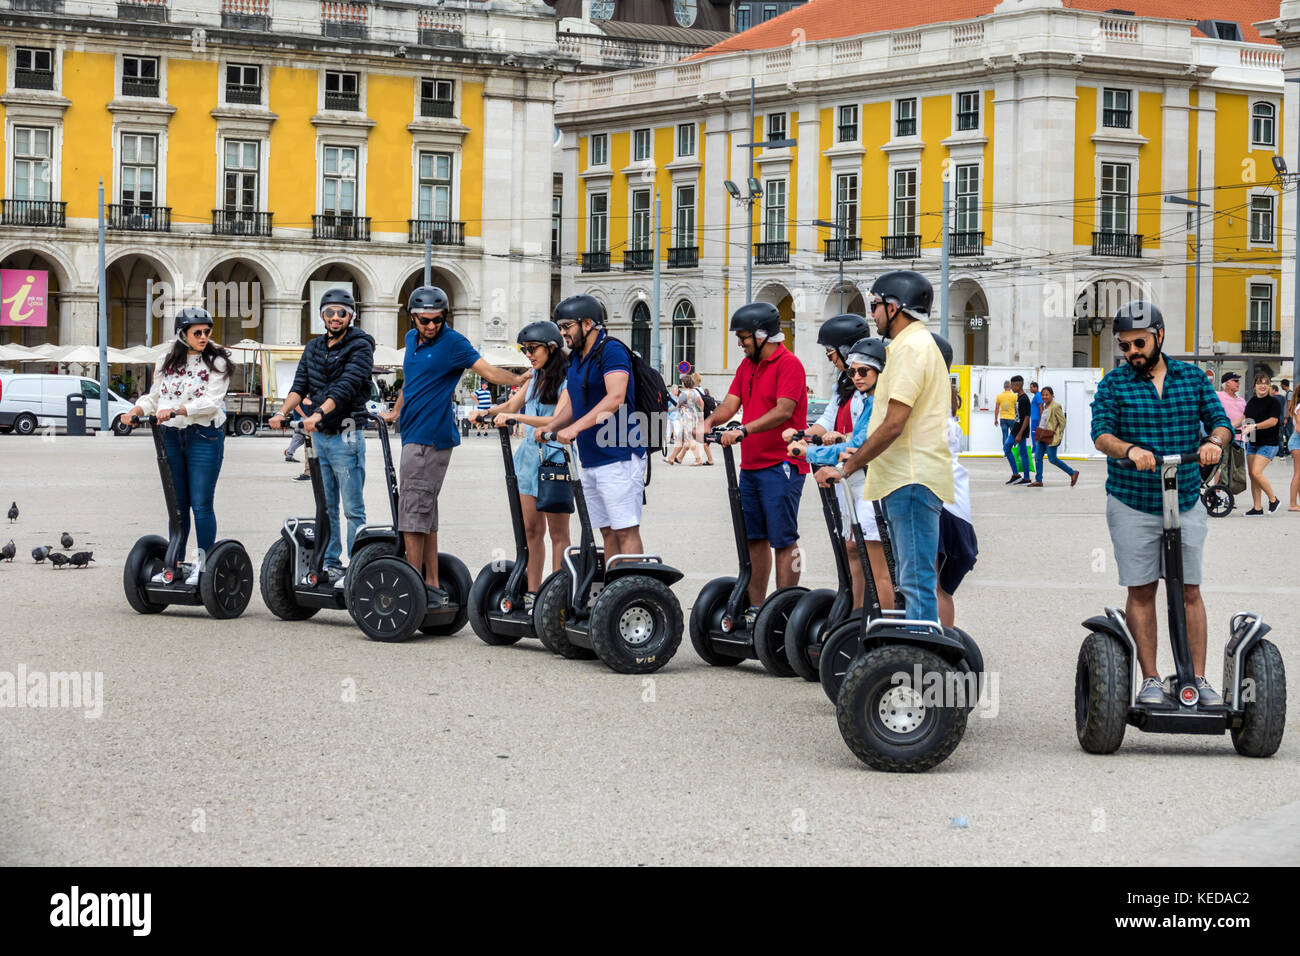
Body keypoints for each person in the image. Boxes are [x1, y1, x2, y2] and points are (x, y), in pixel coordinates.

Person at [1090, 300, 1232, 706]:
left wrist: (1213, 443)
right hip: (1133, 500)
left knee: (1189, 589)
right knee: (1141, 589)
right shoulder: (1114, 384)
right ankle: (1151, 679)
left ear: (1159, 336)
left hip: (1185, 498)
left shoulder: (1191, 378)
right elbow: (1101, 433)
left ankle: (1198, 680)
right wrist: (1129, 448)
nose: (1132, 351)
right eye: (1126, 346)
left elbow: (1220, 422)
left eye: (1139, 343)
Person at [818, 271, 952, 625]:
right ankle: (918, 654)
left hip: (910, 478)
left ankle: (921, 659)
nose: (872, 314)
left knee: (915, 581)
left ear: (894, 307)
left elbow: (894, 423)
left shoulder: (909, 348)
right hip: (906, 477)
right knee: (913, 579)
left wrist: (847, 466)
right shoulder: (912, 346)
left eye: (875, 306)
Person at [382, 286, 528, 605]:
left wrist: (520, 380)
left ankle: (415, 586)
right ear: (413, 318)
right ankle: (430, 583)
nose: (431, 326)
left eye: (437, 320)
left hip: (429, 438)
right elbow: (411, 380)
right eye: (424, 320)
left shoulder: (454, 343)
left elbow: (488, 371)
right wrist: (396, 410)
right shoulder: (410, 341)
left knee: (411, 512)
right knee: (425, 512)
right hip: (412, 433)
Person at [697, 302, 809, 613]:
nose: (740, 343)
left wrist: (743, 431)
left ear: (763, 335)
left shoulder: (791, 365)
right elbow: (730, 405)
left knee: (783, 540)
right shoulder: (748, 366)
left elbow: (783, 411)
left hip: (782, 464)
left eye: (744, 337)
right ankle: (757, 609)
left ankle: (785, 610)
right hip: (751, 466)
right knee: (754, 539)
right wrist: (710, 421)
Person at [268, 288, 375, 584]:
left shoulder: (361, 345)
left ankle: (356, 566)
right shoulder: (314, 347)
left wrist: (318, 414)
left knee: (353, 508)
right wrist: (281, 412)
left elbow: (347, 385)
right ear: (321, 315)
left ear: (351, 315)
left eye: (342, 312)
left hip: (346, 433)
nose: (336, 317)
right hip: (320, 439)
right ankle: (330, 561)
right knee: (326, 506)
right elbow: (299, 385)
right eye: (330, 312)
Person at [124, 308, 232, 585]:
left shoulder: (218, 361)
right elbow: (155, 396)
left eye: (207, 331)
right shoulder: (166, 361)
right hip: (171, 436)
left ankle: (204, 565)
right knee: (178, 505)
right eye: (198, 332)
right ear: (183, 334)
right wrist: (135, 410)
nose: (204, 336)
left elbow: (211, 402)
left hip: (204, 436)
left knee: (201, 504)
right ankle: (176, 563)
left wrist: (178, 410)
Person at [538, 294, 647, 560]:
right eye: (560, 327)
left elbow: (616, 398)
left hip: (618, 454)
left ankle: (632, 590)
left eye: (566, 326)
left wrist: (575, 429)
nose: (562, 332)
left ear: (587, 324)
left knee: (625, 530)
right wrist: (552, 426)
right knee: (607, 532)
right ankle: (612, 593)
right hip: (590, 457)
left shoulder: (611, 350)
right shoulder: (576, 358)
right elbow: (577, 403)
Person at [472, 321, 571, 604]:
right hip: (528, 460)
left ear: (551, 348)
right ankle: (532, 592)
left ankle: (556, 595)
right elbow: (510, 407)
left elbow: (556, 420)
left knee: (559, 532)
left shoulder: (568, 379)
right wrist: (484, 413)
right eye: (525, 349)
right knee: (531, 530)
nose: (528, 354)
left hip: (555, 459)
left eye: (532, 349)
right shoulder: (534, 377)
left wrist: (517, 419)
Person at [804, 336, 893, 613]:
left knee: (880, 569)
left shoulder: (878, 401)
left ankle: (886, 629)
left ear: (879, 371)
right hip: (856, 480)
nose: (856, 376)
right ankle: (857, 615)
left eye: (863, 371)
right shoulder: (865, 400)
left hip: (872, 484)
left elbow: (860, 445)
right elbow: (844, 434)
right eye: (853, 371)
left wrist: (808, 453)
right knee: (855, 550)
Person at [937, 366, 978, 628]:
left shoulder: (936, 423)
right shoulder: (950, 422)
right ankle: (945, 640)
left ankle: (935, 645)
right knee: (941, 589)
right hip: (956, 508)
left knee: (931, 585)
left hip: (941, 505)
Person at [1242, 372, 1283, 515]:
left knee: (1256, 472)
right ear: (1254, 386)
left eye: (1265, 383)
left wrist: (1254, 426)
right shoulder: (1252, 401)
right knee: (1253, 476)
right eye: (1259, 383)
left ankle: (1273, 500)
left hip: (1269, 443)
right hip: (1253, 442)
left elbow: (1273, 421)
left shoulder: (1274, 402)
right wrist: (1226, 425)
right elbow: (1245, 417)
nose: (1263, 386)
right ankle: (1257, 508)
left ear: (1269, 386)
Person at [1030, 386, 1078, 487]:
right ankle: (1038, 480)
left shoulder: (1056, 406)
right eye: (1043, 395)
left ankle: (1072, 473)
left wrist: (1057, 435)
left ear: (1052, 395)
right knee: (1038, 458)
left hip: (1050, 436)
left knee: (1052, 459)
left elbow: (1062, 422)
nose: (1044, 396)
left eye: (1047, 394)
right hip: (1041, 436)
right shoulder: (1044, 406)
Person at [669, 376, 706, 465]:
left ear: (685, 383)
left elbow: (677, 405)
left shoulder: (683, 394)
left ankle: (698, 459)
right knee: (680, 439)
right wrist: (701, 414)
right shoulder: (695, 392)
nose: (681, 383)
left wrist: (668, 410)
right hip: (693, 415)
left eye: (682, 382)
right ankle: (672, 458)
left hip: (686, 417)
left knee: (689, 438)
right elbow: (701, 403)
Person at [1007, 375, 1032, 484]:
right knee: (1013, 450)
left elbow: (1027, 417)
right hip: (1016, 428)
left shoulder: (1024, 399)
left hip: (1020, 431)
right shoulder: (1018, 397)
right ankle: (1018, 475)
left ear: (1018, 384)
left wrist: (1020, 434)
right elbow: (1019, 416)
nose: (1011, 387)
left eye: (1012, 385)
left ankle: (1024, 477)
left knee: (1020, 452)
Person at [1215, 371, 1246, 441]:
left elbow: (1247, 418)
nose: (1238, 383)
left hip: (1241, 440)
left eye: (1238, 381)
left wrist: (1250, 439)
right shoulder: (1217, 396)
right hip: (1224, 438)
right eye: (1235, 381)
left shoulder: (1242, 401)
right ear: (1227, 383)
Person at [994, 379, 1016, 477]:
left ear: (1004, 387)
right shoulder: (1014, 396)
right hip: (1012, 418)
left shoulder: (999, 396)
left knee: (1005, 435)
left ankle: (1006, 453)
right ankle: (1014, 451)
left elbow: (997, 408)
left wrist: (995, 419)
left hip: (1003, 418)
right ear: (1010, 387)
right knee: (1014, 435)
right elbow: (1017, 407)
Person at [1287, 387, 1300, 511]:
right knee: (1298, 473)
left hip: (1296, 442)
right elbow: (1299, 428)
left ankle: (1295, 502)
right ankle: (1293, 503)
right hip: (1298, 442)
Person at [1028, 380, 1043, 447]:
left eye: (1031, 387)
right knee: (1034, 434)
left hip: (1037, 419)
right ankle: (1035, 448)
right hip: (1034, 418)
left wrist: (1041, 418)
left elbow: (1041, 407)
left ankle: (1036, 449)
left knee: (1035, 434)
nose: (1030, 389)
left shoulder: (1038, 395)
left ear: (1036, 388)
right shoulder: (1036, 396)